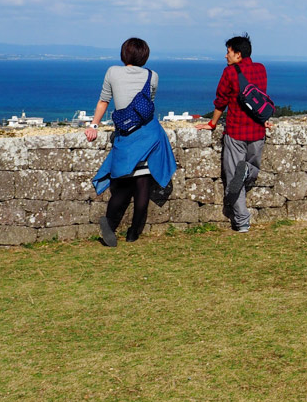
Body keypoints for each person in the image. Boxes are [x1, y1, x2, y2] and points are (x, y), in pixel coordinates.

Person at [86, 37, 176, 246]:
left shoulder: (112, 72)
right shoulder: (153, 76)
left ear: (124, 54)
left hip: (128, 136)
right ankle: (133, 233)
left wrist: (94, 126)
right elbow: (147, 105)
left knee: (124, 185)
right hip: (151, 136)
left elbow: (104, 101)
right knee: (143, 185)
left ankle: (109, 225)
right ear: (145, 56)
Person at [196, 34, 270, 233]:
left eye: (228, 52)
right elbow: (260, 96)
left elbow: (221, 101)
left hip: (236, 131)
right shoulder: (261, 69)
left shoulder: (229, 72)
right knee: (253, 169)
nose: (225, 56)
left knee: (233, 177)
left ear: (238, 54)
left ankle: (242, 221)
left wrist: (212, 123)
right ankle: (247, 171)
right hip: (257, 130)